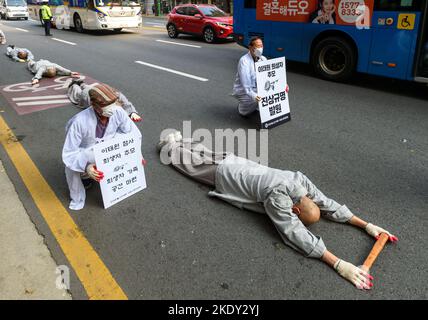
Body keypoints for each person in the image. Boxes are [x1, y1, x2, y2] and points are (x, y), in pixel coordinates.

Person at [157, 130, 399, 290]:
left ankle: (179, 140)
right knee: (187, 164)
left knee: (205, 154)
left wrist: (365, 224)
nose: (296, 217)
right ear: (295, 208)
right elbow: (294, 234)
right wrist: (338, 264)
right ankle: (166, 148)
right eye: (298, 216)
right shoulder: (278, 200)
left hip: (238, 162)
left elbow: (326, 204)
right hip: (226, 175)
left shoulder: (300, 181)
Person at [62, 84, 143, 210]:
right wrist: (86, 167)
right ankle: (81, 187)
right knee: (71, 168)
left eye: (113, 103)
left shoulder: (118, 111)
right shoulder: (79, 122)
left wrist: (136, 155)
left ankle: (111, 173)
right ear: (95, 106)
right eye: (106, 105)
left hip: (109, 150)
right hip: (87, 154)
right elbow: (70, 154)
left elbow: (133, 134)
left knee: (123, 138)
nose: (112, 108)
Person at [232, 36, 289, 117]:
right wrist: (254, 96)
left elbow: (272, 77)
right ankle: (242, 109)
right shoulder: (244, 61)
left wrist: (283, 85)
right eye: (257, 46)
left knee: (274, 94)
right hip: (244, 90)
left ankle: (258, 106)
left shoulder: (263, 59)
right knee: (255, 101)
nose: (260, 48)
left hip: (258, 88)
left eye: (261, 46)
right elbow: (246, 86)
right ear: (250, 47)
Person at [67, 79, 142, 122]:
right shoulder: (94, 102)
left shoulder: (117, 95)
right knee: (77, 97)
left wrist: (132, 113)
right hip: (87, 95)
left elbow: (126, 103)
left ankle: (82, 84)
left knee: (89, 88)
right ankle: (74, 85)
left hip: (97, 89)